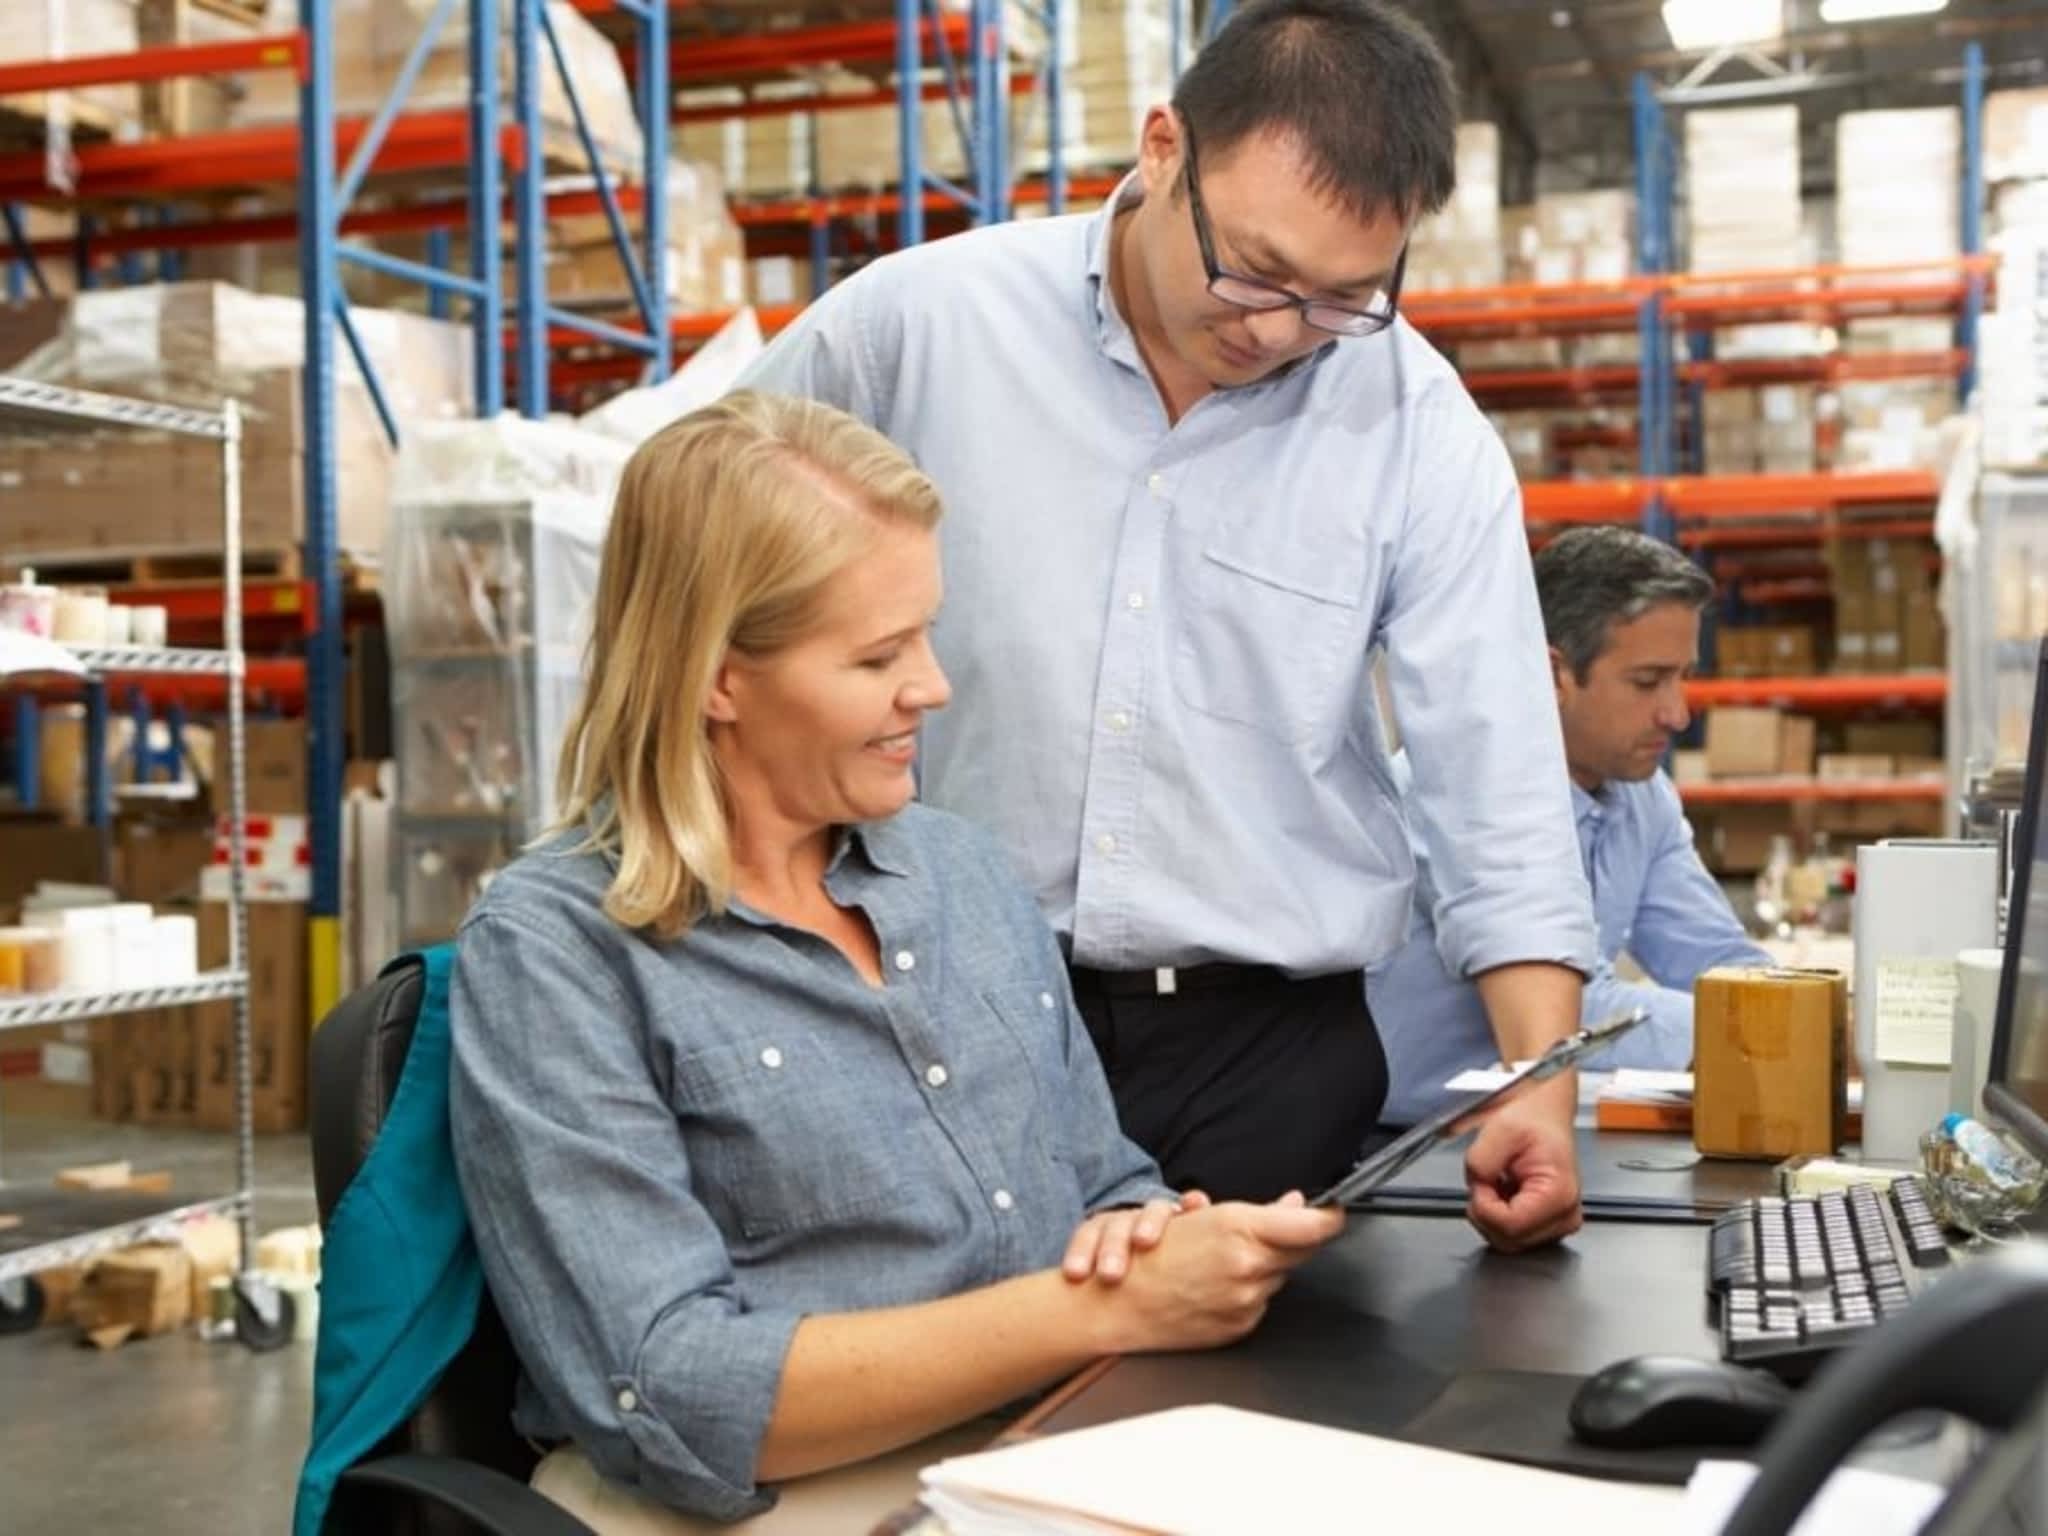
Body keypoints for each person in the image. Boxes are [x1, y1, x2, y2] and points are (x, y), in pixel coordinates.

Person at [738, 0, 1596, 1247]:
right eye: (1250, 269)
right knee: (940, 1393)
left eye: (1339, 297)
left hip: (1265, 1057)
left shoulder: (1414, 422)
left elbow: (1496, 779)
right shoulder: (914, 329)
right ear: (1161, 150)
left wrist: (1541, 1083)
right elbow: (691, 559)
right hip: (925, 1011)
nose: (1273, 329)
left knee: (1214, 1425)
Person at [447, 392, 1346, 1530]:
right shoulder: (556, 952)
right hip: (773, 1499)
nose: (932, 685)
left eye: (924, 632)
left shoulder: (960, 875)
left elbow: (1101, 1180)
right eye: (877, 655)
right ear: (717, 677)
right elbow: (670, 1393)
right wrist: (1106, 1314)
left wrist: (1157, 1233)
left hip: (1044, 1440)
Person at [1371, 526, 1775, 1124]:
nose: (1678, 713)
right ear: (1553, 676)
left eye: (1682, 677)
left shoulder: (1642, 799)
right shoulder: (1453, 796)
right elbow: (1577, 1007)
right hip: (1413, 1147)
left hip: (1546, 1123)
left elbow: (1715, 959)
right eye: (1647, 682)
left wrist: (1799, 1013)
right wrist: (1766, 1032)